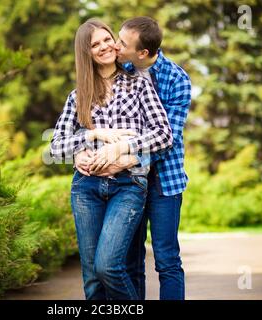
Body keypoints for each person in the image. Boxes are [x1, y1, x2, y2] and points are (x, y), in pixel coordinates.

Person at [50, 18, 172, 300]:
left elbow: (163, 134)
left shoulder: (138, 84)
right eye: (95, 44)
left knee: (108, 267)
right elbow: (55, 147)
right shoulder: (77, 96)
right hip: (86, 188)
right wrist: (95, 136)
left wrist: (124, 147)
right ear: (86, 52)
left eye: (107, 39)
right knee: (92, 278)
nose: (105, 46)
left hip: (128, 185)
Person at [75, 16, 192, 300]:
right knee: (130, 262)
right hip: (128, 184)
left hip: (164, 180)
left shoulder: (177, 80)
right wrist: (83, 148)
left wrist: (123, 154)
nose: (114, 45)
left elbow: (168, 138)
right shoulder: (123, 69)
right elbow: (91, 119)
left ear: (142, 53)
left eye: (121, 43)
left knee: (166, 259)